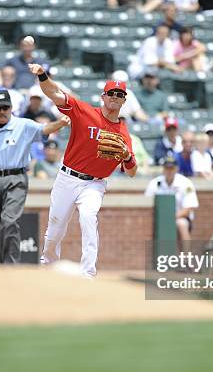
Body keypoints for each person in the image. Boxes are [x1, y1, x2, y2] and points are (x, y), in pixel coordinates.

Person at [26, 64, 138, 278]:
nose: (115, 96)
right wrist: (42, 75)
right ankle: (47, 263)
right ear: (103, 97)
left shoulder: (124, 133)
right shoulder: (84, 111)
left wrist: (126, 156)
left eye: (120, 94)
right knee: (56, 227)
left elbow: (132, 171)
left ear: (124, 100)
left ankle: (88, 273)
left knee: (88, 217)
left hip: (94, 183)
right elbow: (54, 93)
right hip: (67, 177)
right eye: (111, 93)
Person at [0, 89, 71, 263]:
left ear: (11, 107)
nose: (2, 111)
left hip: (16, 178)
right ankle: (2, 265)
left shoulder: (23, 125)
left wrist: (61, 123)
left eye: (5, 107)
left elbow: (44, 130)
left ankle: (12, 266)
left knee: (9, 221)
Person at [144, 155, 199, 242]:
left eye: (172, 168)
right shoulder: (154, 183)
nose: (169, 171)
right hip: (158, 218)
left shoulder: (186, 183)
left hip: (178, 217)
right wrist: (162, 218)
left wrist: (169, 218)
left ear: (177, 169)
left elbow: (188, 209)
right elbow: (147, 205)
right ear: (163, 169)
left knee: (182, 224)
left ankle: (186, 255)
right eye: (167, 168)